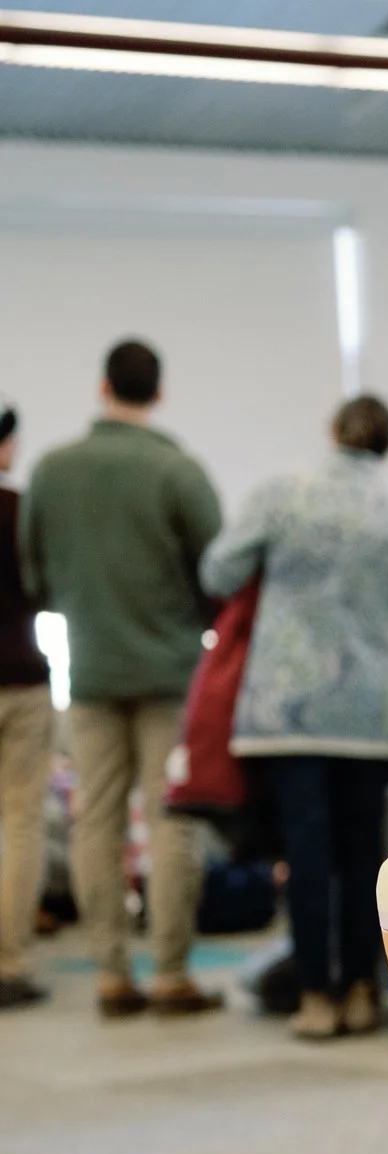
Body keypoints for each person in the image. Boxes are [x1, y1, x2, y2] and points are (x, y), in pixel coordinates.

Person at [202, 395, 388, 1040]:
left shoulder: (281, 493)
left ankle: (314, 998)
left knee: (306, 852)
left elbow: (219, 571)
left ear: (332, 433)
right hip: (370, 707)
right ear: (386, 445)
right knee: (362, 857)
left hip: (290, 706)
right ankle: (359, 988)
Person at [18, 339, 223, 1017]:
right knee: (171, 823)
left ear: (103, 385)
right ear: (158, 392)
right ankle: (169, 973)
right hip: (170, 673)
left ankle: (111, 971)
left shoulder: (51, 470)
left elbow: (34, 578)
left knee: (94, 823)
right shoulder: (177, 470)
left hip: (94, 672)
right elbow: (218, 576)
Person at [0, 400, 53, 1010]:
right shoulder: (19, 511)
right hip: (18, 676)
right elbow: (43, 585)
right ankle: (10, 963)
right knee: (22, 823)